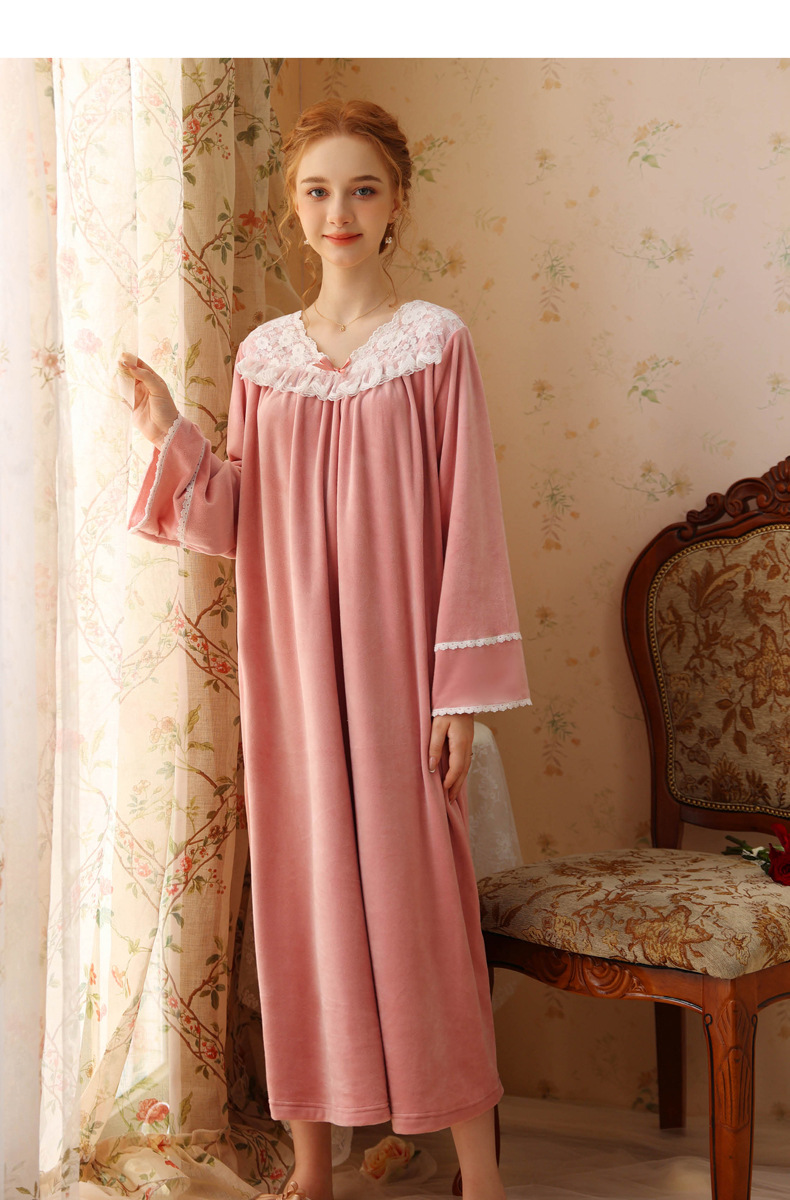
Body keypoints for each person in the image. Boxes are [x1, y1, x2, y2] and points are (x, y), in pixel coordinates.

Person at [119, 98, 531, 1200]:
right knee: (300, 904)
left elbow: (469, 522)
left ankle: (482, 1177)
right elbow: (238, 518)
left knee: (423, 915)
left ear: (397, 205)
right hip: (292, 668)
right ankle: (312, 1170)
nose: (337, 210)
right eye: (316, 190)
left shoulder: (435, 342)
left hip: (403, 674)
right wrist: (168, 435)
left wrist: (458, 696)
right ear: (293, 210)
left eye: (361, 189)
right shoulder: (265, 357)